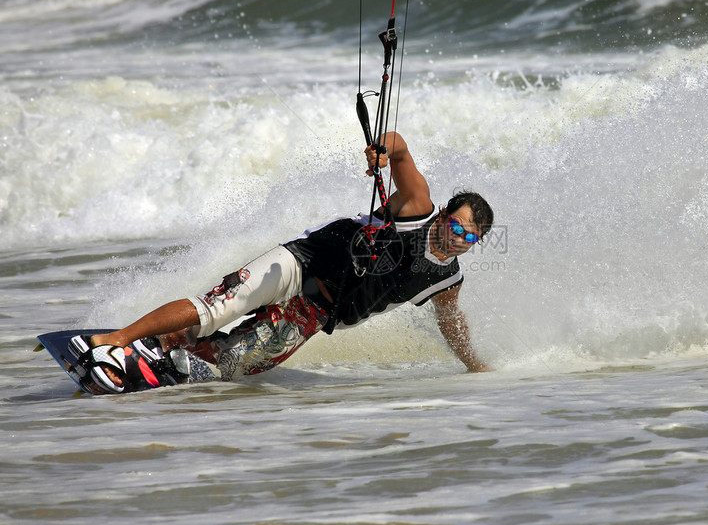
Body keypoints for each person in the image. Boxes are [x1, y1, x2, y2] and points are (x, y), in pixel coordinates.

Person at [72, 132, 494, 393]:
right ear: (442, 216)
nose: (459, 239)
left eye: (470, 236)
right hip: (302, 264)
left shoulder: (447, 278)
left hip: (317, 311)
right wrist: (383, 149)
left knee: (230, 366)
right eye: (456, 226)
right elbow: (400, 149)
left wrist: (473, 364)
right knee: (217, 309)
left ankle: (170, 355)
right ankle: (120, 337)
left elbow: (451, 322)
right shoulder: (417, 208)